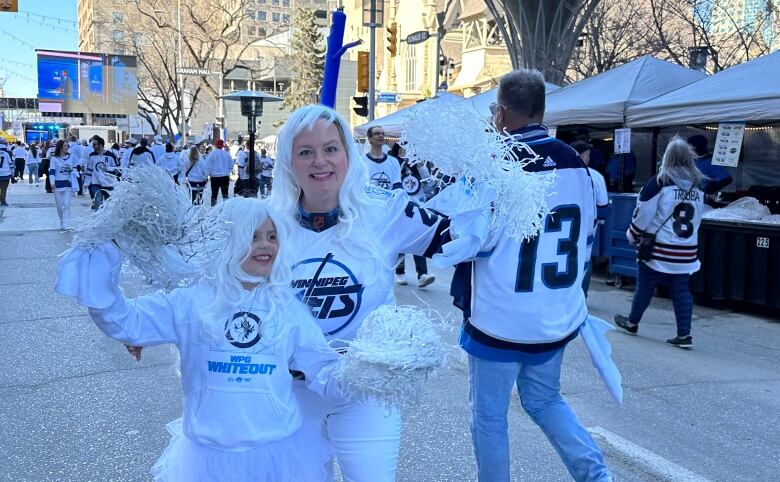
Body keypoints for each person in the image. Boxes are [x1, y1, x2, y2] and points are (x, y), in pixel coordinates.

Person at [55, 197, 343, 481]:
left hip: (279, 450)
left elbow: (322, 364)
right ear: (227, 241)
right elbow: (127, 322)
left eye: (272, 236)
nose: (265, 244)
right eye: (253, 236)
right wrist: (102, 261)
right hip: (208, 456)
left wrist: (362, 374)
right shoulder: (191, 301)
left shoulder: (287, 307)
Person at [270, 105, 453, 481]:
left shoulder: (386, 211)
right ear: (289, 161)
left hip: (365, 393)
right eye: (305, 151)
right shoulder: (267, 224)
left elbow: (461, 240)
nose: (320, 161)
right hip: (291, 393)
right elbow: (219, 289)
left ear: (348, 154)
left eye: (330, 148)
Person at [456, 69, 612, 481]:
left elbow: (466, 237)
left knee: (489, 416)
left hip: (500, 313)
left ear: (503, 112)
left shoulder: (496, 162)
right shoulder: (578, 167)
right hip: (552, 311)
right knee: (545, 400)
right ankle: (597, 476)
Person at [614, 137, 704, 349]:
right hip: (686, 251)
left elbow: (643, 213)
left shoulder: (660, 182)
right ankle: (684, 335)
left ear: (668, 157)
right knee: (681, 291)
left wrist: (632, 235)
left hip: (658, 249)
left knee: (645, 286)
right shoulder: (698, 185)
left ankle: (632, 322)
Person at [390, 143, 435, 288]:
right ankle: (400, 271)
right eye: (404, 149)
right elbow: (393, 180)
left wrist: (420, 164)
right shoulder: (393, 164)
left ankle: (422, 274)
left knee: (419, 240)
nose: (408, 153)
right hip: (401, 208)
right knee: (402, 241)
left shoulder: (418, 166)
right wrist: (402, 162)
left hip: (418, 208)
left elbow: (430, 183)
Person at [570, 140, 609, 296]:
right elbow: (604, 209)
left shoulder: (558, 172)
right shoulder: (596, 176)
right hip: (586, 227)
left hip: (563, 226)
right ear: (584, 156)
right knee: (585, 260)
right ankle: (581, 296)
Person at [687, 135, 732, 200]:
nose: (687, 149)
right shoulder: (694, 160)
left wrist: (708, 190)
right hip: (694, 199)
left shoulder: (710, 161)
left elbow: (726, 179)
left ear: (695, 147)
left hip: (706, 202)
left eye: (689, 146)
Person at [84, 136, 120, 210]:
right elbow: (89, 170)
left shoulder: (110, 155)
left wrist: (108, 169)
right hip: (96, 184)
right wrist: (86, 183)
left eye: (95, 144)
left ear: (100, 145)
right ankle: (98, 218)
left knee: (109, 206)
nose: (93, 146)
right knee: (98, 203)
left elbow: (117, 169)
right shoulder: (92, 155)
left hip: (109, 184)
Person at [49, 140, 78, 230]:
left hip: (68, 184)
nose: (67, 148)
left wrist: (73, 170)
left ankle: (65, 223)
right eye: (65, 146)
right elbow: (52, 172)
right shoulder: (54, 159)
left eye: (67, 146)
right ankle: (62, 220)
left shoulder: (72, 157)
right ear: (60, 147)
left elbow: (76, 169)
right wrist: (52, 182)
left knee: (66, 205)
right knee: (59, 205)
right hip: (57, 185)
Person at [206, 138, 232, 206]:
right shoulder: (227, 154)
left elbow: (208, 166)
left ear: (215, 145)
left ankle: (213, 210)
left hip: (215, 177)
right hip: (225, 177)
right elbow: (231, 165)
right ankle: (226, 209)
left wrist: (207, 175)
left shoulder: (212, 154)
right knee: (225, 195)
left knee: (214, 195)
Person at [0, 139, 13, 206]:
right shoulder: (6, 153)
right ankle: (3, 201)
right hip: (5, 174)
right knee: (4, 188)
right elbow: (10, 164)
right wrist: (12, 174)